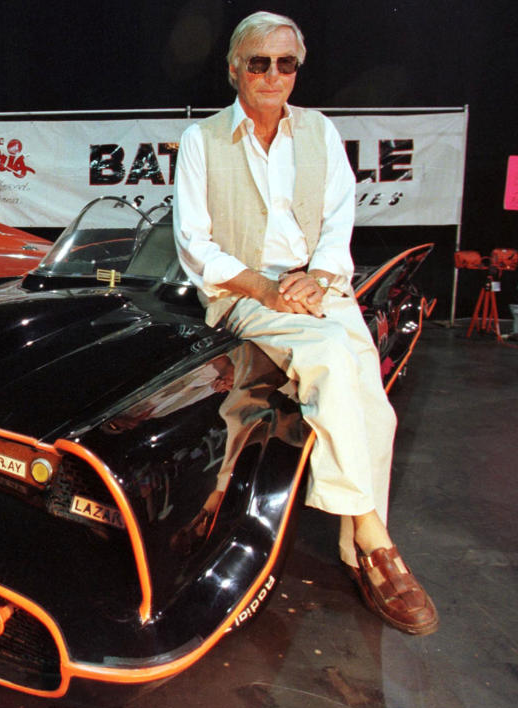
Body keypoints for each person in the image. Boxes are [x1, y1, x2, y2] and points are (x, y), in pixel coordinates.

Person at [172, 10, 438, 635]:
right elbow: (193, 243)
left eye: (284, 63)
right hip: (243, 292)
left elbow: (339, 219)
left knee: (374, 404)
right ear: (235, 68)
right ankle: (372, 541)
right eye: (258, 62)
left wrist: (317, 276)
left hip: (317, 288)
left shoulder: (321, 132)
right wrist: (266, 286)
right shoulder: (201, 141)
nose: (272, 74)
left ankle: (356, 538)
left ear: (297, 69)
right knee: (330, 355)